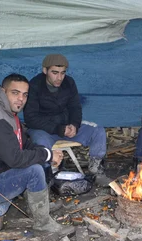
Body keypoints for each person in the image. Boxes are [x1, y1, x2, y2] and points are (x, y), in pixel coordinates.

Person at [0, 73, 64, 233]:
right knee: (34, 171)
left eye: (25, 94)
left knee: (39, 159)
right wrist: (48, 155)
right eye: (15, 93)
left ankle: (39, 208)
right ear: (3, 92)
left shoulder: (10, 116)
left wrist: (47, 153)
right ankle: (43, 224)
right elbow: (16, 159)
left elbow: (26, 145)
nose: (21, 99)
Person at [24, 54, 111, 185]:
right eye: (54, 73)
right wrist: (58, 129)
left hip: (66, 126)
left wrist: (74, 125)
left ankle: (96, 170)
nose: (59, 78)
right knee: (40, 142)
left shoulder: (69, 83)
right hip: (44, 129)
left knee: (97, 131)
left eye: (62, 73)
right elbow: (31, 118)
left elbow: (75, 107)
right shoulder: (34, 86)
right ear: (45, 70)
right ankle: (47, 178)